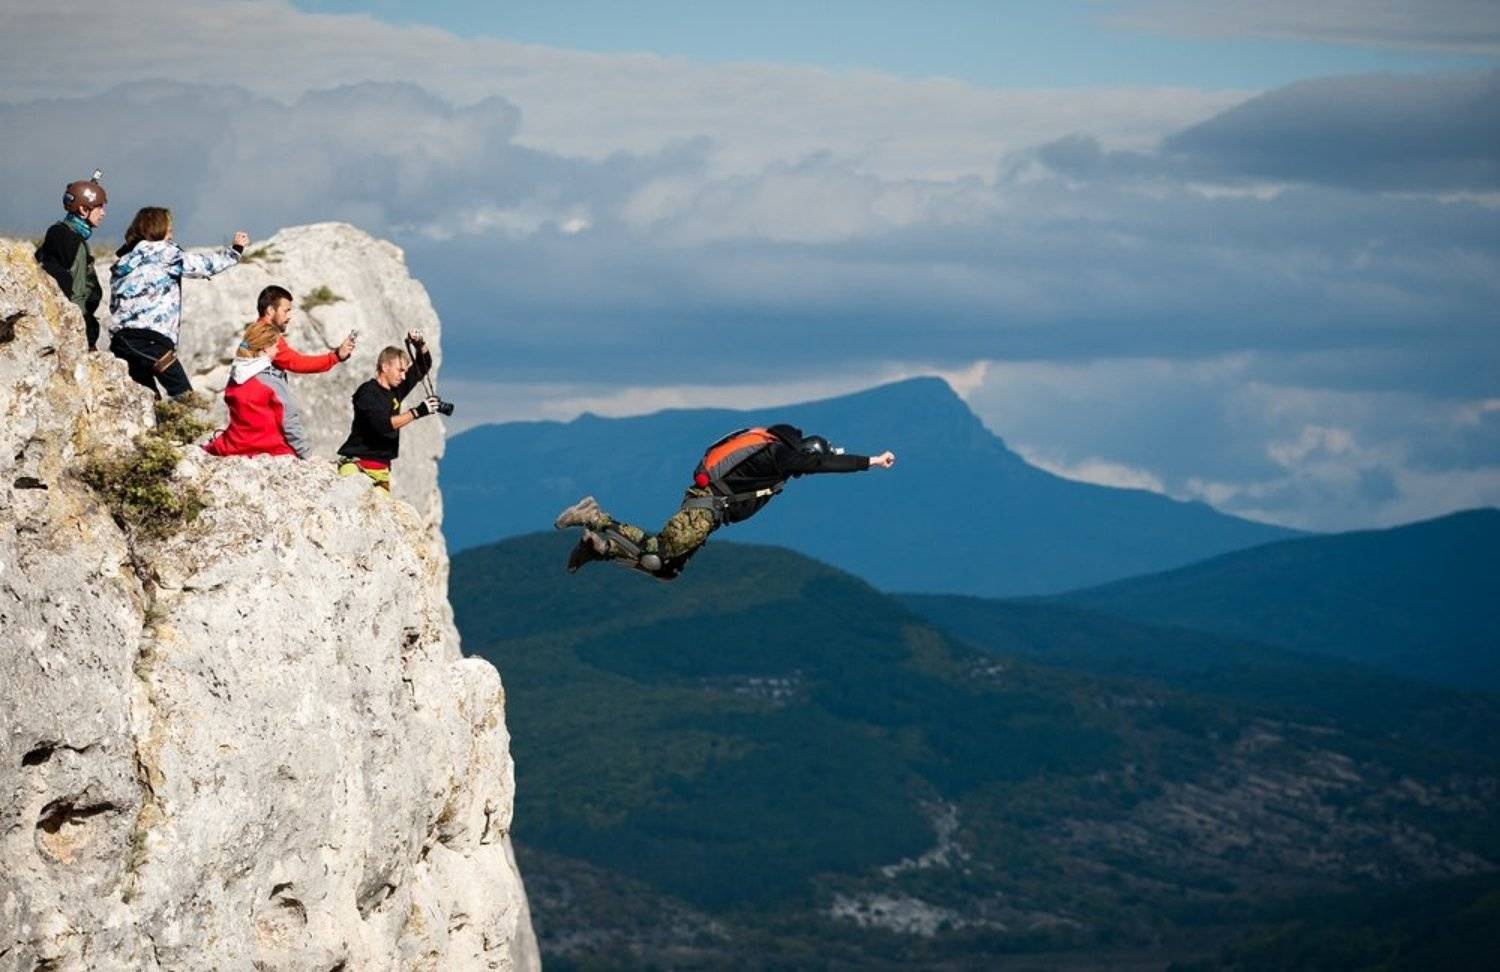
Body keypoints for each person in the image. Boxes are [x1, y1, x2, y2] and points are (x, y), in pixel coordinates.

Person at [554, 424, 896, 580]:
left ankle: (598, 548)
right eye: (802, 467)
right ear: (804, 455)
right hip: (706, 509)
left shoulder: (773, 452)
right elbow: (823, 464)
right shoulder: (780, 454)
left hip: (709, 513)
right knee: (657, 552)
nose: (800, 473)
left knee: (667, 570)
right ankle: (595, 518)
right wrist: (871, 461)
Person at [108, 206, 249, 402]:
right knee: (185, 398)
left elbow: (114, 304)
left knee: (146, 404)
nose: (171, 235)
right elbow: (205, 265)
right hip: (151, 341)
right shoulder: (165, 253)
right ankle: (182, 430)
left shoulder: (124, 261)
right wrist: (235, 251)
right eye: (169, 230)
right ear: (158, 229)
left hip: (121, 342)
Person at [335, 333, 440, 491]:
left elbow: (423, 365)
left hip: (381, 470)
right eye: (400, 370)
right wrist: (417, 412)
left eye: (405, 371)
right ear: (385, 367)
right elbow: (382, 425)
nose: (404, 376)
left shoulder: (396, 390)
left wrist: (420, 344)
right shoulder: (367, 392)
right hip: (356, 465)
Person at [202, 322, 310, 460]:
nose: (278, 351)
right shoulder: (270, 380)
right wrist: (305, 455)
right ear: (265, 349)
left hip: (235, 446)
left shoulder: (235, 376)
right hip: (271, 449)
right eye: (276, 347)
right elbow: (288, 420)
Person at [35, 173, 107, 350]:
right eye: (99, 207)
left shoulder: (57, 233)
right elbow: (77, 292)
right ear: (83, 210)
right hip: (72, 332)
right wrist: (83, 334)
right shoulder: (74, 242)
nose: (103, 213)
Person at [254, 284, 356, 377]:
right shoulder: (266, 334)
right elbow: (296, 363)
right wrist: (335, 357)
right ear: (270, 310)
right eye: (286, 311)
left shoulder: (258, 330)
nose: (289, 316)